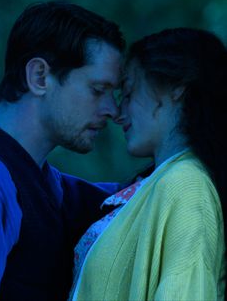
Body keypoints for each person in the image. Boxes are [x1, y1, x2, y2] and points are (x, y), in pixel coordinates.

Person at [71, 28, 226, 300]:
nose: (118, 113)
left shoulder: (187, 185)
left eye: (128, 92)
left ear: (176, 88)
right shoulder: (164, 182)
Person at [0, 1, 125, 301]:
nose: (112, 110)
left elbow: (132, 196)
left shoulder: (44, 183)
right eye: (97, 89)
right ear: (40, 77)